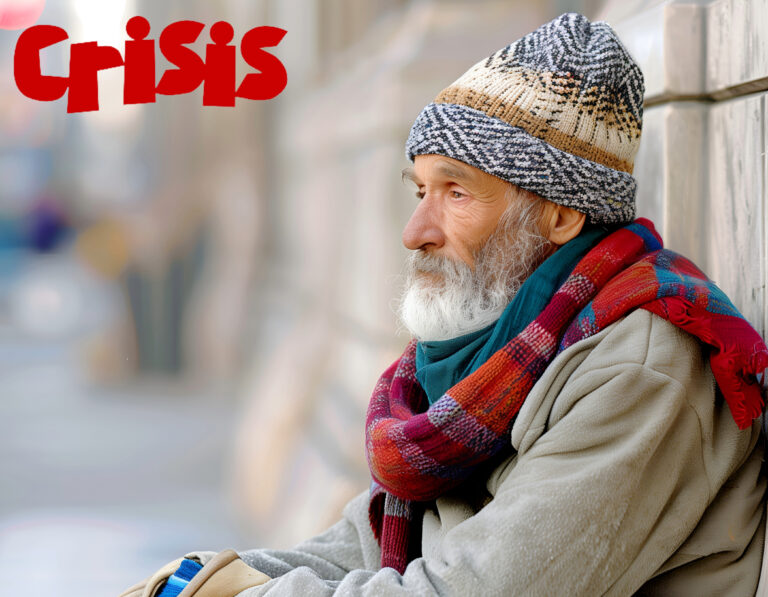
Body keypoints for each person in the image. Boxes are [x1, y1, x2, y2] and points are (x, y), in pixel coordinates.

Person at [121, 12, 768, 597]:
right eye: (420, 190)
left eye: (456, 193)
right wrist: (205, 576)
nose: (416, 231)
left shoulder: (636, 370)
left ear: (562, 215)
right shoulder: (495, 348)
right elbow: (367, 540)